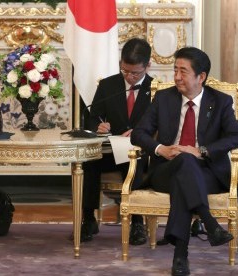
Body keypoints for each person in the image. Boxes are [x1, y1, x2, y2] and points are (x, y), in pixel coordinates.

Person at [131, 47, 238, 275]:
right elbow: (138, 133)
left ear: (201, 77)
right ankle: (209, 222)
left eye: (183, 71)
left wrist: (200, 151)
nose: (176, 77)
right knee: (183, 164)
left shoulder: (220, 101)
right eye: (175, 70)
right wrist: (161, 149)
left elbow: (237, 137)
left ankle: (180, 255)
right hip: (166, 169)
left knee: (186, 170)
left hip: (207, 173)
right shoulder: (164, 98)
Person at [81, 38, 152, 243]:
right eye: (125, 71)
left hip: (138, 153)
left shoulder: (157, 89)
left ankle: (137, 223)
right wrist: (98, 126)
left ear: (148, 65)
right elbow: (93, 116)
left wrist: (138, 133)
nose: (129, 77)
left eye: (135, 73)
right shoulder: (107, 85)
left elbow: (161, 126)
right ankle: (88, 219)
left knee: (134, 161)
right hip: (110, 150)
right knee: (88, 160)